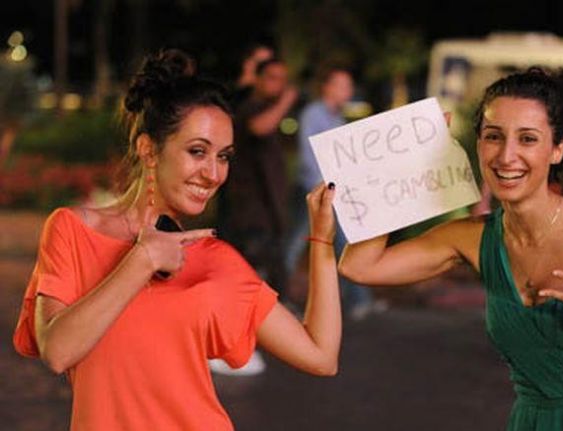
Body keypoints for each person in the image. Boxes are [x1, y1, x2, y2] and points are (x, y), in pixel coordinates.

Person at [339, 67, 563, 430]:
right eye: (494, 136)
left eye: (527, 139)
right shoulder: (472, 238)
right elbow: (359, 266)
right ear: (478, 144)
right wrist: (404, 169)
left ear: (558, 149)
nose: (506, 156)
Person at [13, 49, 341, 431]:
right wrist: (142, 260)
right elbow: (57, 350)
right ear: (149, 150)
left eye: (224, 156)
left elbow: (321, 356)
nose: (214, 173)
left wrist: (322, 241)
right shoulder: (73, 230)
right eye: (197, 151)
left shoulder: (217, 260)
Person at [285, 66, 375, 319]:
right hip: (314, 190)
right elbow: (308, 156)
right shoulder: (313, 113)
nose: (347, 91)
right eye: (342, 85)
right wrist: (325, 189)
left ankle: (356, 300)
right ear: (327, 86)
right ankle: (277, 297)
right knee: (296, 243)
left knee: (342, 242)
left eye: (349, 86)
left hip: (332, 192)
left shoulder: (337, 118)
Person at [218, 58, 297, 297]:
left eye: (282, 80)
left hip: (269, 210)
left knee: (273, 278)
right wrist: (286, 101)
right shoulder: (248, 108)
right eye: (272, 78)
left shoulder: (269, 110)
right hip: (250, 211)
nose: (279, 85)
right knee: (252, 279)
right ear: (258, 80)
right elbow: (259, 127)